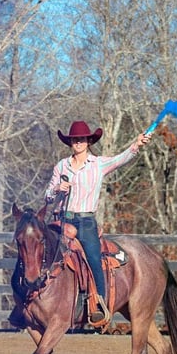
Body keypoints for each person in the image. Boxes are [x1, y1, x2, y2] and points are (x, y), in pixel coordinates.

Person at [46, 120, 151, 323]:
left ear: (88, 142)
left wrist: (136, 144)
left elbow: (122, 158)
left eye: (82, 139)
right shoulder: (61, 166)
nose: (78, 142)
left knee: (94, 257)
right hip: (61, 220)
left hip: (85, 221)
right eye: (75, 139)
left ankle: (99, 303)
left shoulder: (98, 164)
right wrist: (57, 189)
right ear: (70, 142)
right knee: (40, 252)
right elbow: (47, 196)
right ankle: (31, 299)